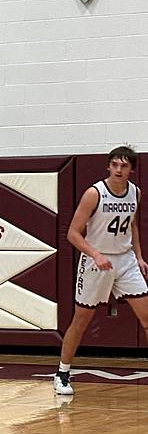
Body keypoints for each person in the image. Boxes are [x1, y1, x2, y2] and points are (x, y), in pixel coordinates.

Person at [54, 146, 148, 395]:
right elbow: (73, 234)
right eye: (115, 164)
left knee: (147, 317)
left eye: (124, 166)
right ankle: (62, 372)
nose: (119, 169)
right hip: (96, 261)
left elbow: (133, 226)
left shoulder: (135, 193)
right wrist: (95, 254)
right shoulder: (94, 193)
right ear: (108, 166)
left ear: (132, 169)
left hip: (125, 261)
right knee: (81, 321)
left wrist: (138, 256)